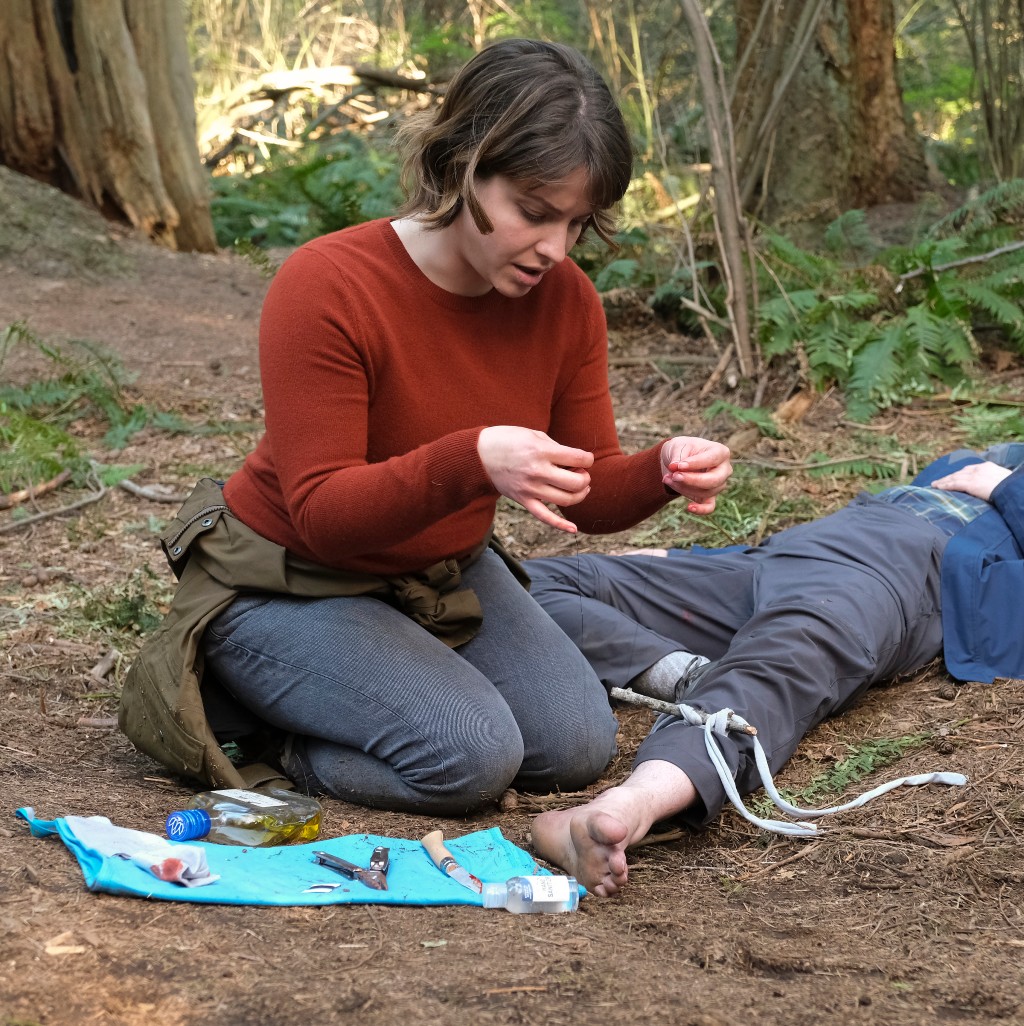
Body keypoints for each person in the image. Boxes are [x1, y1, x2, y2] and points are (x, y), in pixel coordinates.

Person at [118, 39, 731, 815]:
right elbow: (323, 514)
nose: (555, 248)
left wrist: (661, 472)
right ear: (461, 163)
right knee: (469, 758)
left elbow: (586, 492)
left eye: (578, 223)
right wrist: (472, 459)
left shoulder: (565, 301)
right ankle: (263, 725)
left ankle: (377, 689)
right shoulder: (330, 285)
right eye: (534, 213)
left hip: (433, 578)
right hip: (286, 581)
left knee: (576, 745)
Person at [525, 357, 1024, 897]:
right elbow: (841, 535)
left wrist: (1006, 489)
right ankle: (678, 674)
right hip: (787, 557)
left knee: (789, 652)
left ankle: (627, 807)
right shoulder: (981, 462)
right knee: (545, 582)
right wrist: (686, 561)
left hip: (907, 570)